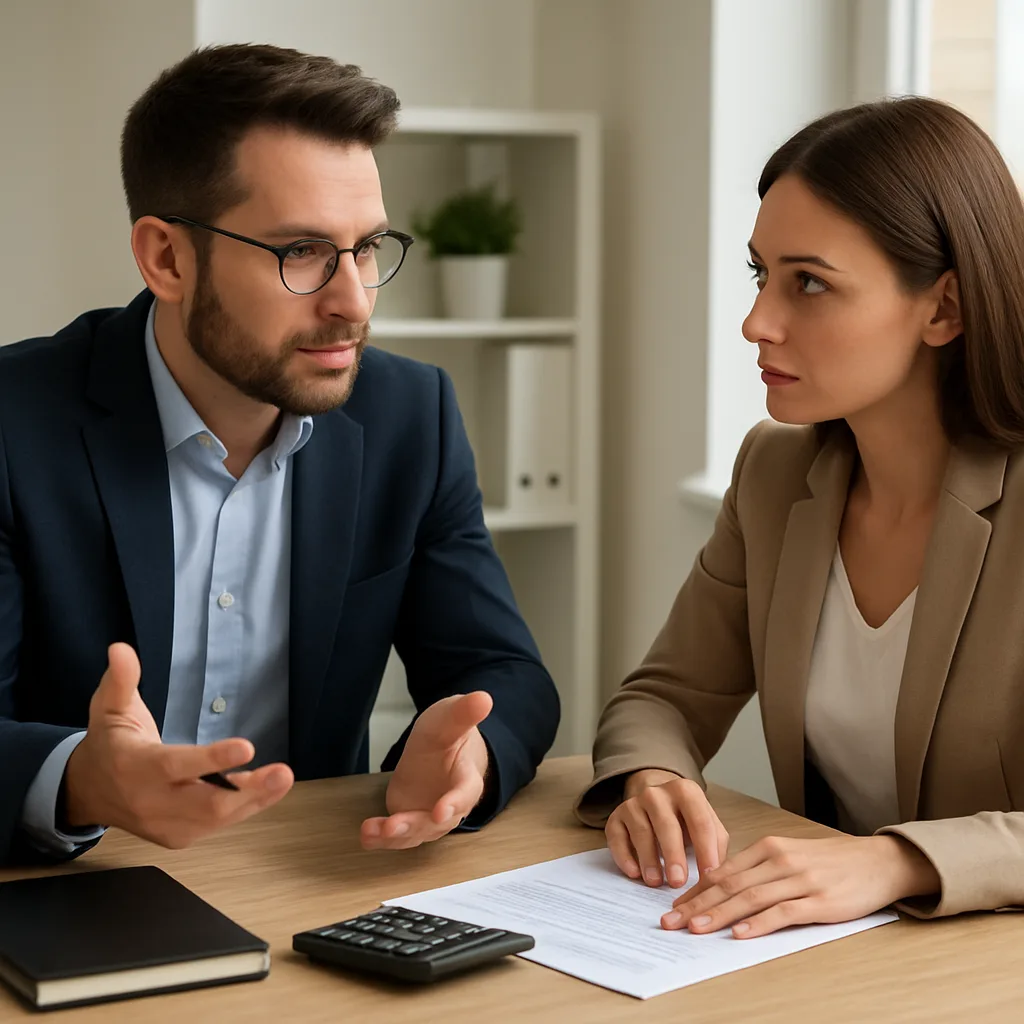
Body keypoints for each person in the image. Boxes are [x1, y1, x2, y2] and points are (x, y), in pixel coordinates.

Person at [0, 43, 559, 867]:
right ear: (167, 258)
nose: (352, 302)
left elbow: (502, 669)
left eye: (367, 248)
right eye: (301, 252)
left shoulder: (413, 416)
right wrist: (83, 779)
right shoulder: (16, 422)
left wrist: (462, 758)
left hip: (307, 880)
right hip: (67, 884)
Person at [575, 96, 1024, 936]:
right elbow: (665, 696)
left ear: (944, 309)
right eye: (761, 275)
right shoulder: (776, 473)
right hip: (829, 960)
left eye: (809, 283)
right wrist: (655, 782)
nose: (756, 322)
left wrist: (897, 861)